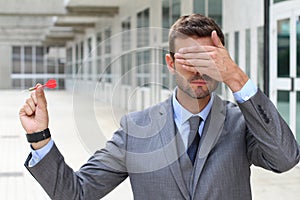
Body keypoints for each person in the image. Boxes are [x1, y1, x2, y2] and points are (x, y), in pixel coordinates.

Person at [19, 14, 299, 200]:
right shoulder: (135, 129)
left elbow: (286, 159)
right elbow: (75, 194)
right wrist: (39, 136)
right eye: (189, 59)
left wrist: (237, 78)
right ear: (170, 63)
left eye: (208, 59)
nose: (199, 70)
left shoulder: (241, 123)